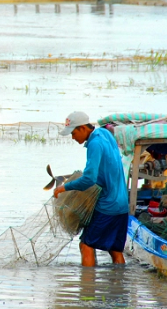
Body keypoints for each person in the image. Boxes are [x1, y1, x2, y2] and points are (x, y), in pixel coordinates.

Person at [53, 111, 128, 267]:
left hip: (107, 205)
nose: (73, 138)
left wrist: (64, 188)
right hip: (122, 204)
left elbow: (89, 179)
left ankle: (87, 289)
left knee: (86, 245)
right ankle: (120, 285)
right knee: (115, 249)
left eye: (73, 133)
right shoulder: (104, 133)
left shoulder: (94, 144)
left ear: (82, 128)